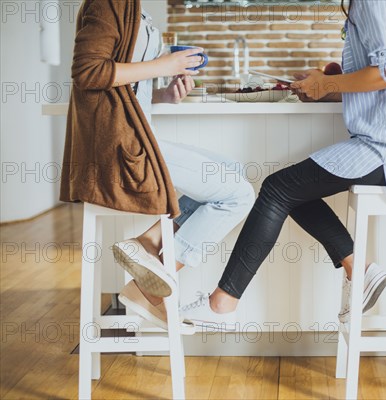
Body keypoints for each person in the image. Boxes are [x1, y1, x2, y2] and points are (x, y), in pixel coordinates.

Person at [179, 0, 386, 330]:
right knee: (289, 189)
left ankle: (222, 305)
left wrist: (327, 84)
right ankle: (360, 268)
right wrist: (328, 86)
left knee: (277, 190)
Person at [62, 0, 254, 330]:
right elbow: (88, 71)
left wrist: (164, 93)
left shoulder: (137, 8)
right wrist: (164, 66)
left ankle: (148, 244)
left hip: (136, 139)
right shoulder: (108, 3)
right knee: (238, 196)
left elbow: (126, 87)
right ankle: (147, 289)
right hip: (116, 149)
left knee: (231, 171)